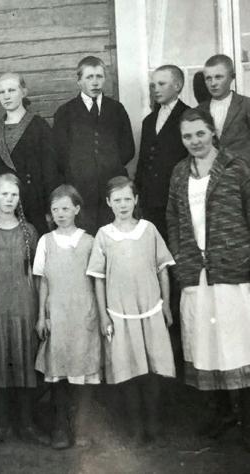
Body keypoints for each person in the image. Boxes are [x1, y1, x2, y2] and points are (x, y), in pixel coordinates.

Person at [167, 108, 250, 449]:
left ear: (213, 132)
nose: (194, 141)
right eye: (187, 136)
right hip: (195, 272)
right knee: (207, 344)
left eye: (200, 133)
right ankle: (222, 414)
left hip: (232, 269)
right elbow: (173, 220)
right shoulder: (179, 172)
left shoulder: (236, 167)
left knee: (238, 344)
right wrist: (181, 258)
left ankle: (246, 419)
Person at [87, 176, 175, 443]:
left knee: (153, 370)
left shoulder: (148, 229)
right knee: (128, 371)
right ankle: (136, 427)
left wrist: (166, 305)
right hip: (120, 314)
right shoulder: (104, 235)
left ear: (136, 200)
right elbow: (98, 279)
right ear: (108, 202)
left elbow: (162, 270)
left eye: (127, 199)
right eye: (117, 200)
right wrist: (104, 316)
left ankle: (153, 425)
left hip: (150, 310)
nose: (123, 204)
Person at [0, 173, 48, 450]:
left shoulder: (29, 231)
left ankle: (27, 425)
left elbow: (36, 275)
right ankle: (0, 426)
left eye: (13, 195)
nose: (9, 199)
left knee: (24, 361)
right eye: (4, 194)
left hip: (24, 306)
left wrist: (40, 311)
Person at [33, 184, 101, 449]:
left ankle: (81, 426)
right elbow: (43, 281)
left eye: (65, 208)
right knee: (58, 371)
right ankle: (60, 427)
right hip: (57, 314)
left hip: (83, 313)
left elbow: (97, 280)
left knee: (83, 368)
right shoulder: (45, 241)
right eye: (55, 209)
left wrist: (97, 313)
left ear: (77, 209)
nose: (60, 214)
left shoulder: (89, 241)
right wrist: (42, 316)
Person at [52, 56, 135, 235]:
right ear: (79, 81)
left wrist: (108, 166)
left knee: (114, 235)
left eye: (99, 76)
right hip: (80, 191)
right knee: (85, 237)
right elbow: (59, 154)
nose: (95, 82)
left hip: (112, 190)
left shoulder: (116, 109)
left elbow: (128, 149)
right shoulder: (65, 112)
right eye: (89, 77)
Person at [0, 73, 59, 235]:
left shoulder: (39, 126)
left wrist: (50, 209)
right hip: (5, 207)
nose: (6, 96)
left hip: (35, 205)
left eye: (11, 90)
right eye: (2, 92)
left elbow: (51, 172)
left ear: (24, 92)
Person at [135, 65, 190, 240]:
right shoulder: (149, 121)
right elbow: (143, 161)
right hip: (151, 200)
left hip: (178, 198)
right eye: (153, 85)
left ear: (178, 86)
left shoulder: (189, 116)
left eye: (161, 84)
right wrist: (138, 194)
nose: (156, 89)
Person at [198, 54, 250, 159]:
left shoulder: (246, 105)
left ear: (232, 77)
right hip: (211, 167)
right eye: (208, 78)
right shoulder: (199, 110)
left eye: (218, 77)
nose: (213, 83)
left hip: (243, 167)